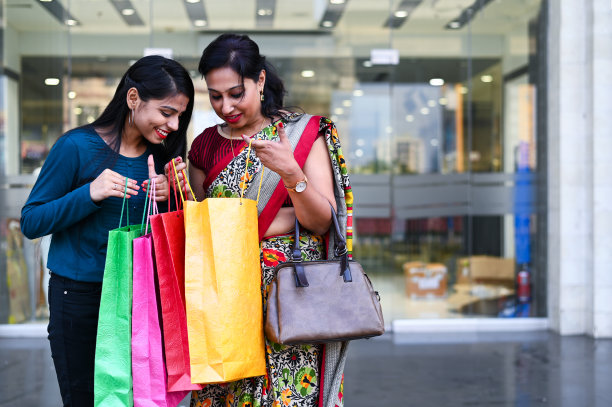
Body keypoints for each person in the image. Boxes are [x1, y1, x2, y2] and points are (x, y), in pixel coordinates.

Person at [188, 33, 353, 407]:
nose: (225, 106)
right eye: (215, 96)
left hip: (293, 300)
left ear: (260, 81)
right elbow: (205, 226)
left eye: (235, 93)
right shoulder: (205, 146)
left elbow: (321, 221)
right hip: (228, 303)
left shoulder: (300, 135)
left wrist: (292, 173)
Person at [20, 54, 194, 407]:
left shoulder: (162, 158)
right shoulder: (76, 146)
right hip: (79, 298)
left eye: (180, 115)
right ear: (133, 99)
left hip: (141, 300)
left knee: (138, 400)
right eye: (166, 112)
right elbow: (32, 221)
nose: (175, 125)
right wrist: (89, 193)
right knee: (84, 398)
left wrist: (170, 198)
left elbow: (174, 237)